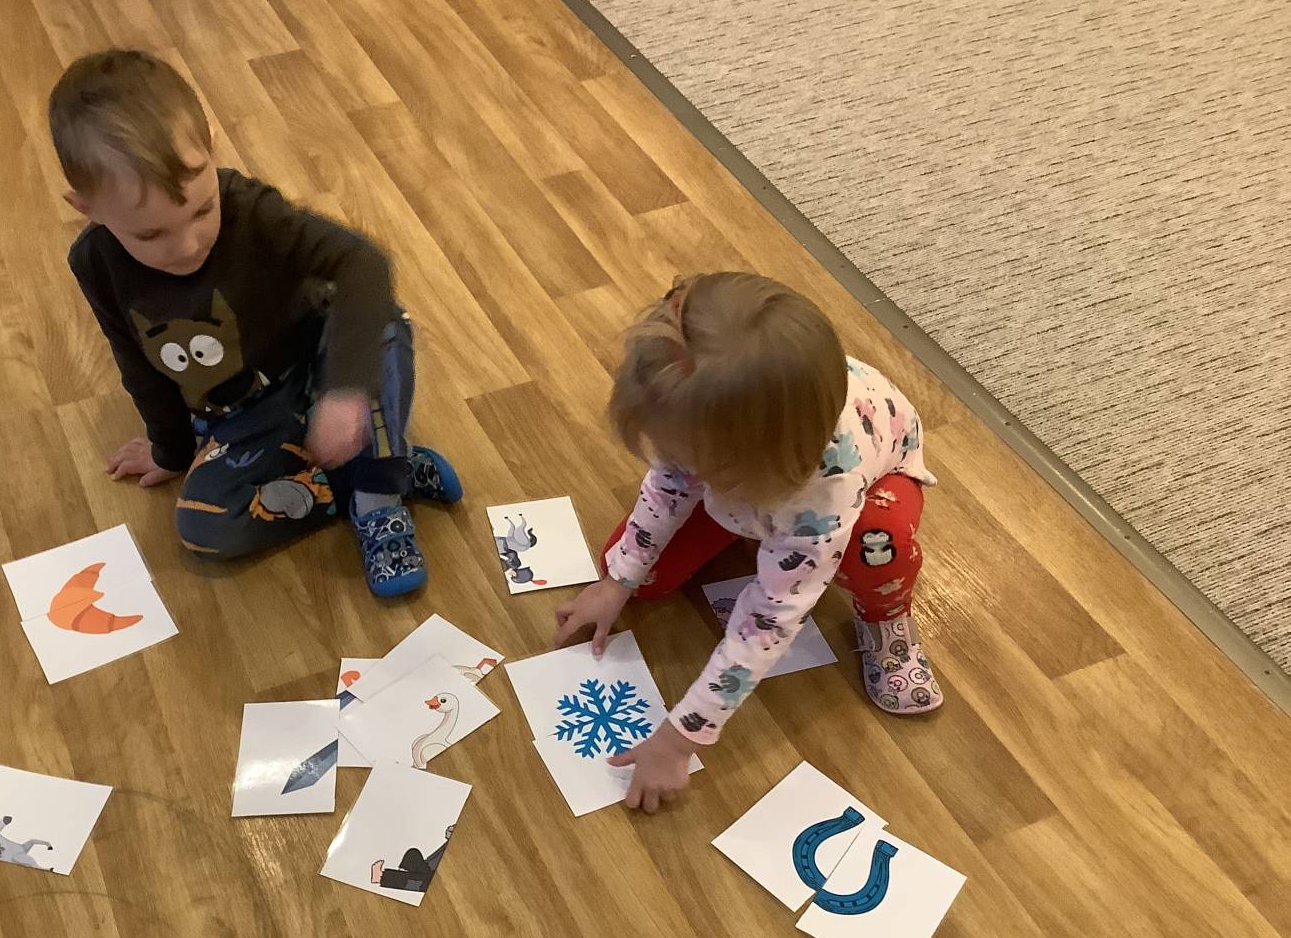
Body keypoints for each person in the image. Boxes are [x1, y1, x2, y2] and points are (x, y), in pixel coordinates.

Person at [48, 50, 461, 596]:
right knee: (202, 529)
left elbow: (362, 263)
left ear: (210, 146)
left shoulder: (252, 208)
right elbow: (138, 364)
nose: (188, 245)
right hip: (243, 415)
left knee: (383, 326)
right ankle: (377, 469)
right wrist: (170, 450)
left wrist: (343, 391)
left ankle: (379, 497)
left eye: (201, 210)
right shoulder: (94, 264)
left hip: (318, 364)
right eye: (151, 235)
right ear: (86, 207)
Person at [554, 273, 942, 812]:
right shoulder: (701, 414)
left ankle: (886, 616)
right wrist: (617, 580)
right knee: (637, 573)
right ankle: (738, 518)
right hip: (753, 473)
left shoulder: (824, 495)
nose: (672, 461)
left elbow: (769, 620)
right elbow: (668, 486)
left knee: (878, 549)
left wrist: (679, 740)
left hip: (873, 485)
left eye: (687, 458)